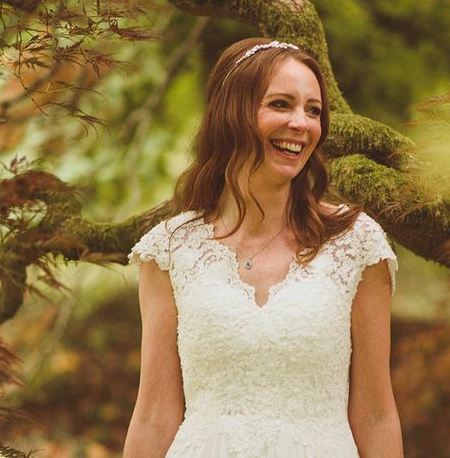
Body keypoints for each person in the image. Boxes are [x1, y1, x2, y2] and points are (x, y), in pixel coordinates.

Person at [123, 38, 403, 457]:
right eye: (280, 104)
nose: (301, 123)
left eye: (313, 110)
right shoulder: (170, 249)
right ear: (231, 113)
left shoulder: (356, 243)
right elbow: (154, 412)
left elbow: (376, 413)